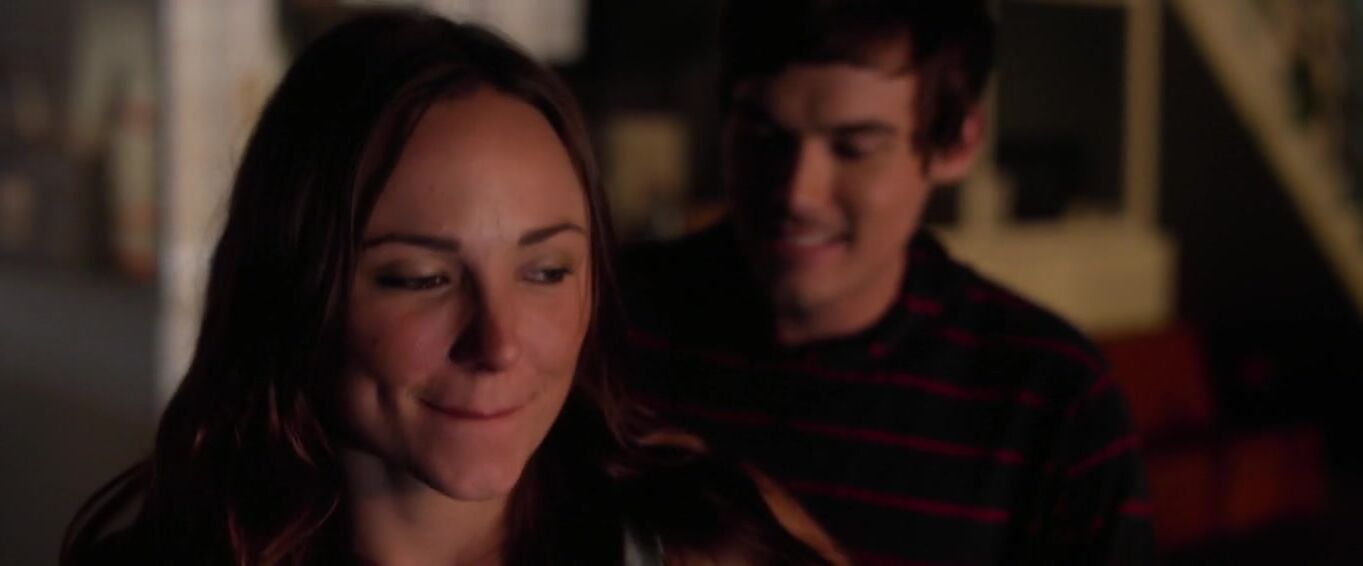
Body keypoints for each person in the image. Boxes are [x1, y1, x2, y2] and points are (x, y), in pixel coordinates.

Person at [61, 9, 841, 565]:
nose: (498, 343)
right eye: (421, 278)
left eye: (545, 271)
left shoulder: (707, 540)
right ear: (296, 290)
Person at [620, 1, 1155, 563]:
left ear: (956, 143)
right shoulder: (607, 317)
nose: (798, 193)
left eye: (855, 147)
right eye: (763, 133)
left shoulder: (1054, 400)